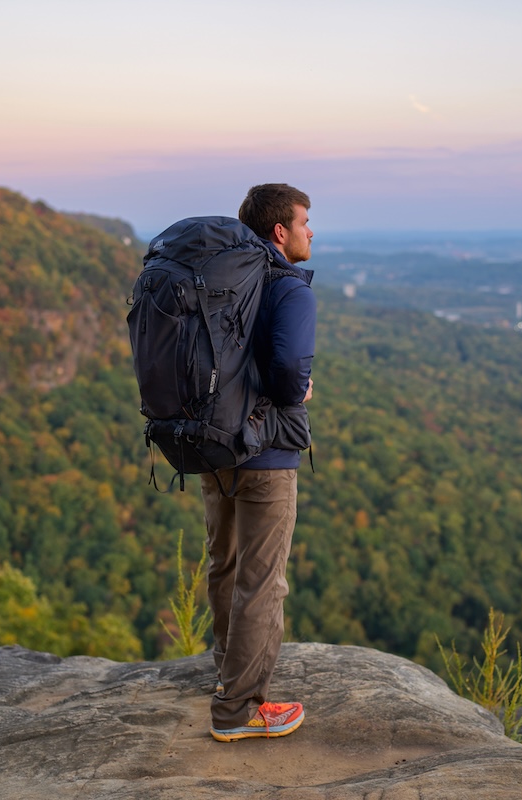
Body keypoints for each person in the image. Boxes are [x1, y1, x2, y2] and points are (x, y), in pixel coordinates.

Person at [205, 184, 316, 742]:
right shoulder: (287, 288)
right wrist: (299, 391)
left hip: (213, 445)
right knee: (261, 581)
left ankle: (226, 676)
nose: (310, 231)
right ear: (280, 231)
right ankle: (240, 711)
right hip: (267, 454)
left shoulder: (222, 279)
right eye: (304, 222)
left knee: (224, 564)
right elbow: (293, 371)